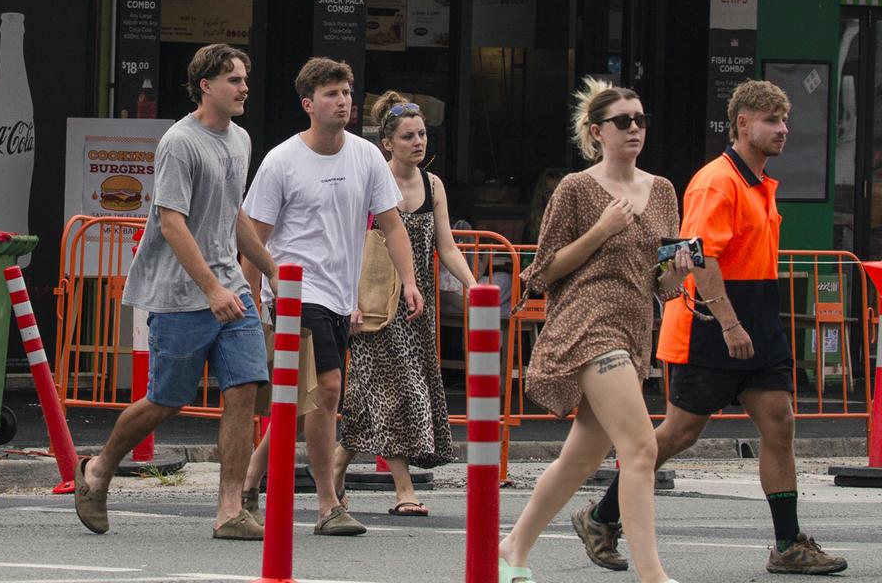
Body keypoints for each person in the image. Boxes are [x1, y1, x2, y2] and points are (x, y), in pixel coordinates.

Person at [575, 80, 848, 577]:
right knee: (680, 433)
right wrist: (729, 324)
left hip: (758, 319)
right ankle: (599, 516)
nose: (782, 129)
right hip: (714, 324)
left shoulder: (759, 182)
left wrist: (750, 326)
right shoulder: (715, 180)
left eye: (784, 120)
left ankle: (787, 543)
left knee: (780, 422)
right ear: (743, 125)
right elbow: (697, 255)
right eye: (771, 120)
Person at [74, 44, 277, 540]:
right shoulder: (179, 143)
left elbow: (233, 214)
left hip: (231, 289)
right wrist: (209, 288)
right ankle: (98, 469)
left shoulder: (241, 139)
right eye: (233, 79)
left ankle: (230, 510)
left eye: (245, 78)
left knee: (244, 391)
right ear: (206, 86)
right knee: (167, 400)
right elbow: (171, 222)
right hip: (180, 294)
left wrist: (272, 269)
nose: (244, 87)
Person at [495, 78, 687, 583]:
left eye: (641, 120)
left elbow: (661, 285)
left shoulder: (662, 190)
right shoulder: (576, 189)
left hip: (634, 328)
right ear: (596, 131)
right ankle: (653, 575)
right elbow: (540, 273)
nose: (634, 129)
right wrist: (601, 230)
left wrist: (680, 272)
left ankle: (513, 545)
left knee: (581, 458)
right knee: (641, 447)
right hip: (587, 325)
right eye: (623, 121)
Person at [239, 58, 424, 536]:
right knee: (327, 392)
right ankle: (327, 503)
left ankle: (248, 480)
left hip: (341, 296)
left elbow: (392, 224)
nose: (342, 101)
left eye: (346, 92)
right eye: (331, 94)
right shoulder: (281, 160)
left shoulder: (365, 156)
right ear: (308, 104)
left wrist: (410, 281)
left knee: (304, 400)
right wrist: (252, 302)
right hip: (296, 293)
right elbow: (252, 239)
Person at [332, 92, 476, 516]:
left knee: (367, 399)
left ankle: (334, 469)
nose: (419, 142)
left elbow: (446, 246)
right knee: (395, 393)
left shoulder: (434, 186)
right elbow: (350, 245)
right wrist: (350, 301)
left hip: (416, 305)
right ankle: (404, 490)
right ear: (388, 144)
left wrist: (472, 286)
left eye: (423, 134)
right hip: (374, 305)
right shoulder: (372, 181)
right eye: (409, 136)